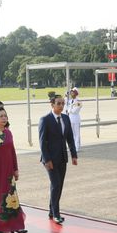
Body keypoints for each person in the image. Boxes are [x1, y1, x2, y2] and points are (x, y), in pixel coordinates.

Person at [38, 94, 78, 225]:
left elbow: (70, 138)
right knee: (55, 184)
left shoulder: (66, 118)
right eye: (58, 103)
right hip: (50, 159)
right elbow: (42, 142)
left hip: (62, 158)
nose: (61, 106)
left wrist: (74, 155)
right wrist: (47, 159)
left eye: (62, 103)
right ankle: (56, 214)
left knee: (59, 185)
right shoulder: (45, 119)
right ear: (52, 104)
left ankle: (51, 210)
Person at [65, 87, 82, 152]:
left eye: (72, 92)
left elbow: (75, 110)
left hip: (75, 118)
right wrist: (66, 95)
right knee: (71, 134)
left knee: (76, 134)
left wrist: (69, 110)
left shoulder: (78, 101)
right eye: (71, 92)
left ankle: (76, 147)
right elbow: (65, 104)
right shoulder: (69, 101)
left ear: (76, 93)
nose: (71, 93)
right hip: (70, 119)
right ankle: (72, 146)